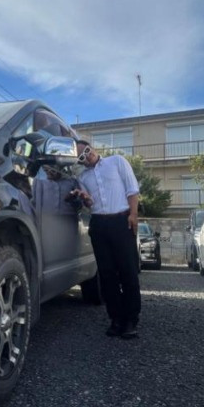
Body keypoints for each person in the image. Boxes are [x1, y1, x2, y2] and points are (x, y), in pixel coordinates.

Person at [70, 140, 142, 339]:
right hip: (99, 224)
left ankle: (131, 320)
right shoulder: (82, 177)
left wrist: (133, 214)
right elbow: (90, 203)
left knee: (128, 271)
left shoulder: (117, 161)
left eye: (87, 150)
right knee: (107, 274)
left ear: (92, 147)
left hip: (121, 221)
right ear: (80, 161)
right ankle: (116, 319)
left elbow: (132, 189)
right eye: (82, 156)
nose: (87, 156)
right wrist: (86, 199)